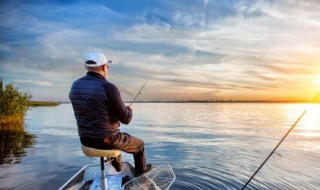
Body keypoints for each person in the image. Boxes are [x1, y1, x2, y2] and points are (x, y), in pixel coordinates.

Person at [69, 50, 152, 176]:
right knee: (139, 145)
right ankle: (140, 175)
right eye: (107, 66)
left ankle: (117, 165)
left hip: (85, 140)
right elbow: (126, 119)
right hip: (107, 141)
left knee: (114, 136)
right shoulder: (108, 87)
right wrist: (130, 109)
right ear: (103, 67)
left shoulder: (75, 86)